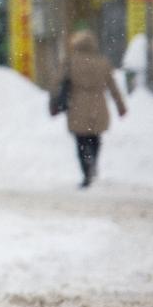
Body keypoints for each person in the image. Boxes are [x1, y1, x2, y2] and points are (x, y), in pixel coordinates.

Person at [61, 29, 126, 188]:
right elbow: (113, 86)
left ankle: (86, 171)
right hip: (98, 104)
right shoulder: (102, 62)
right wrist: (120, 105)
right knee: (95, 138)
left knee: (80, 140)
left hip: (78, 105)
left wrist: (54, 103)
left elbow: (59, 83)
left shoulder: (71, 62)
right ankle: (94, 162)